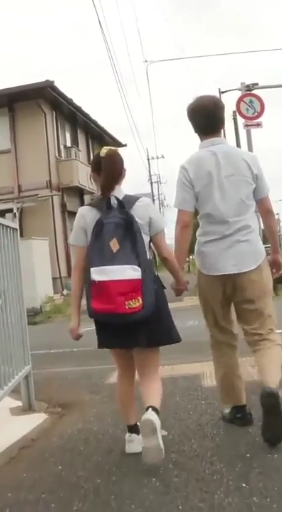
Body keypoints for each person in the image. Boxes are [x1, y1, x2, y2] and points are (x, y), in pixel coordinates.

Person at [173, 95, 282, 447]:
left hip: (211, 264)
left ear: (194, 128)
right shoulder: (248, 159)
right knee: (263, 334)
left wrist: (178, 271)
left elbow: (184, 222)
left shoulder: (189, 167)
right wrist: (276, 251)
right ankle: (270, 387)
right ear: (224, 122)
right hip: (250, 257)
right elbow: (266, 211)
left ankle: (237, 408)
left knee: (222, 337)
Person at [67, 146, 189, 464]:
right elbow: (164, 253)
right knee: (149, 371)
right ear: (123, 174)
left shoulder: (85, 215)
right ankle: (152, 414)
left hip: (107, 301)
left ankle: (133, 434)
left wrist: (75, 317)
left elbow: (78, 268)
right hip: (145, 297)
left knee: (124, 371)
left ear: (93, 176)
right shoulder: (143, 206)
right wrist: (180, 280)